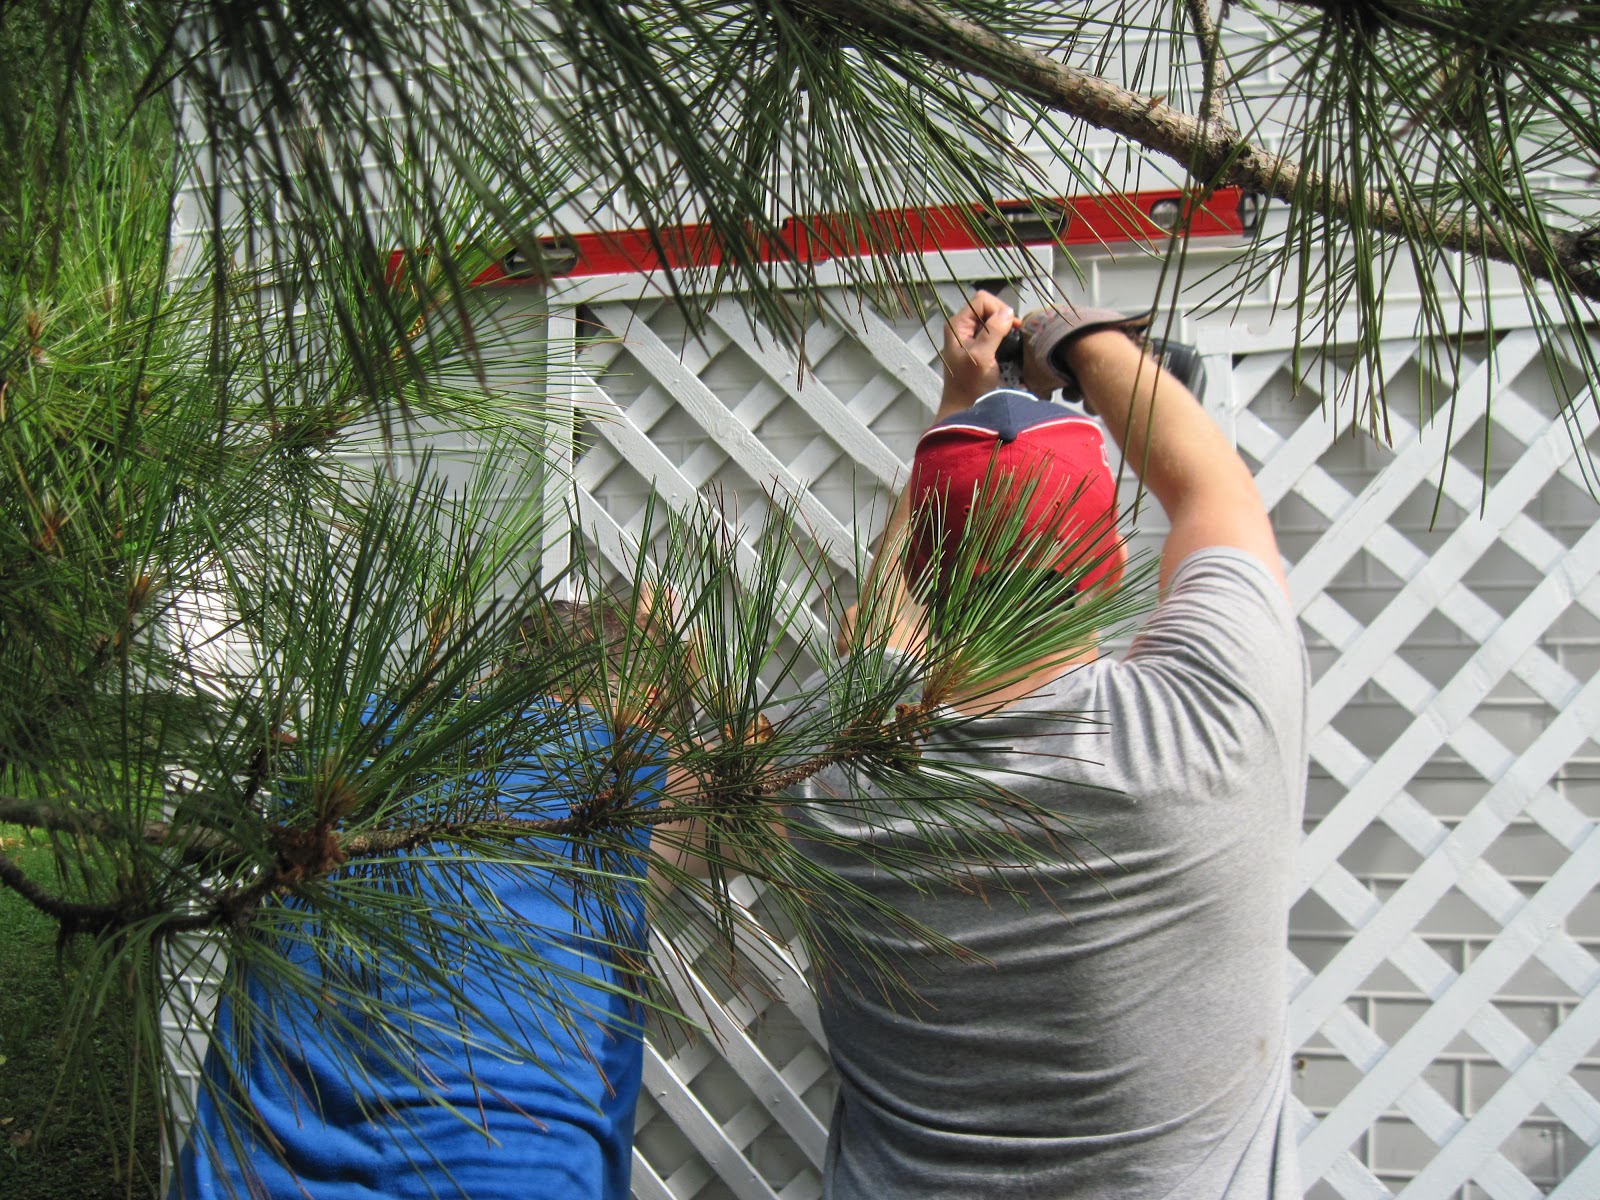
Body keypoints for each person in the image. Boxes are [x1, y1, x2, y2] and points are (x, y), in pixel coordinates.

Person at [790, 290, 1308, 1198]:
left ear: (924, 572)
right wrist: (1077, 344)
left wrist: (960, 416)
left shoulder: (835, 778)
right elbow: (1210, 490)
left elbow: (877, 635)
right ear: (1106, 561)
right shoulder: (1201, 733)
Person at [172, 598, 669, 1200]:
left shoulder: (339, 747)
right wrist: (673, 657)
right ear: (640, 702)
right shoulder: (630, 775)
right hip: (511, 1179)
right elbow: (749, 807)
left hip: (245, 1177)